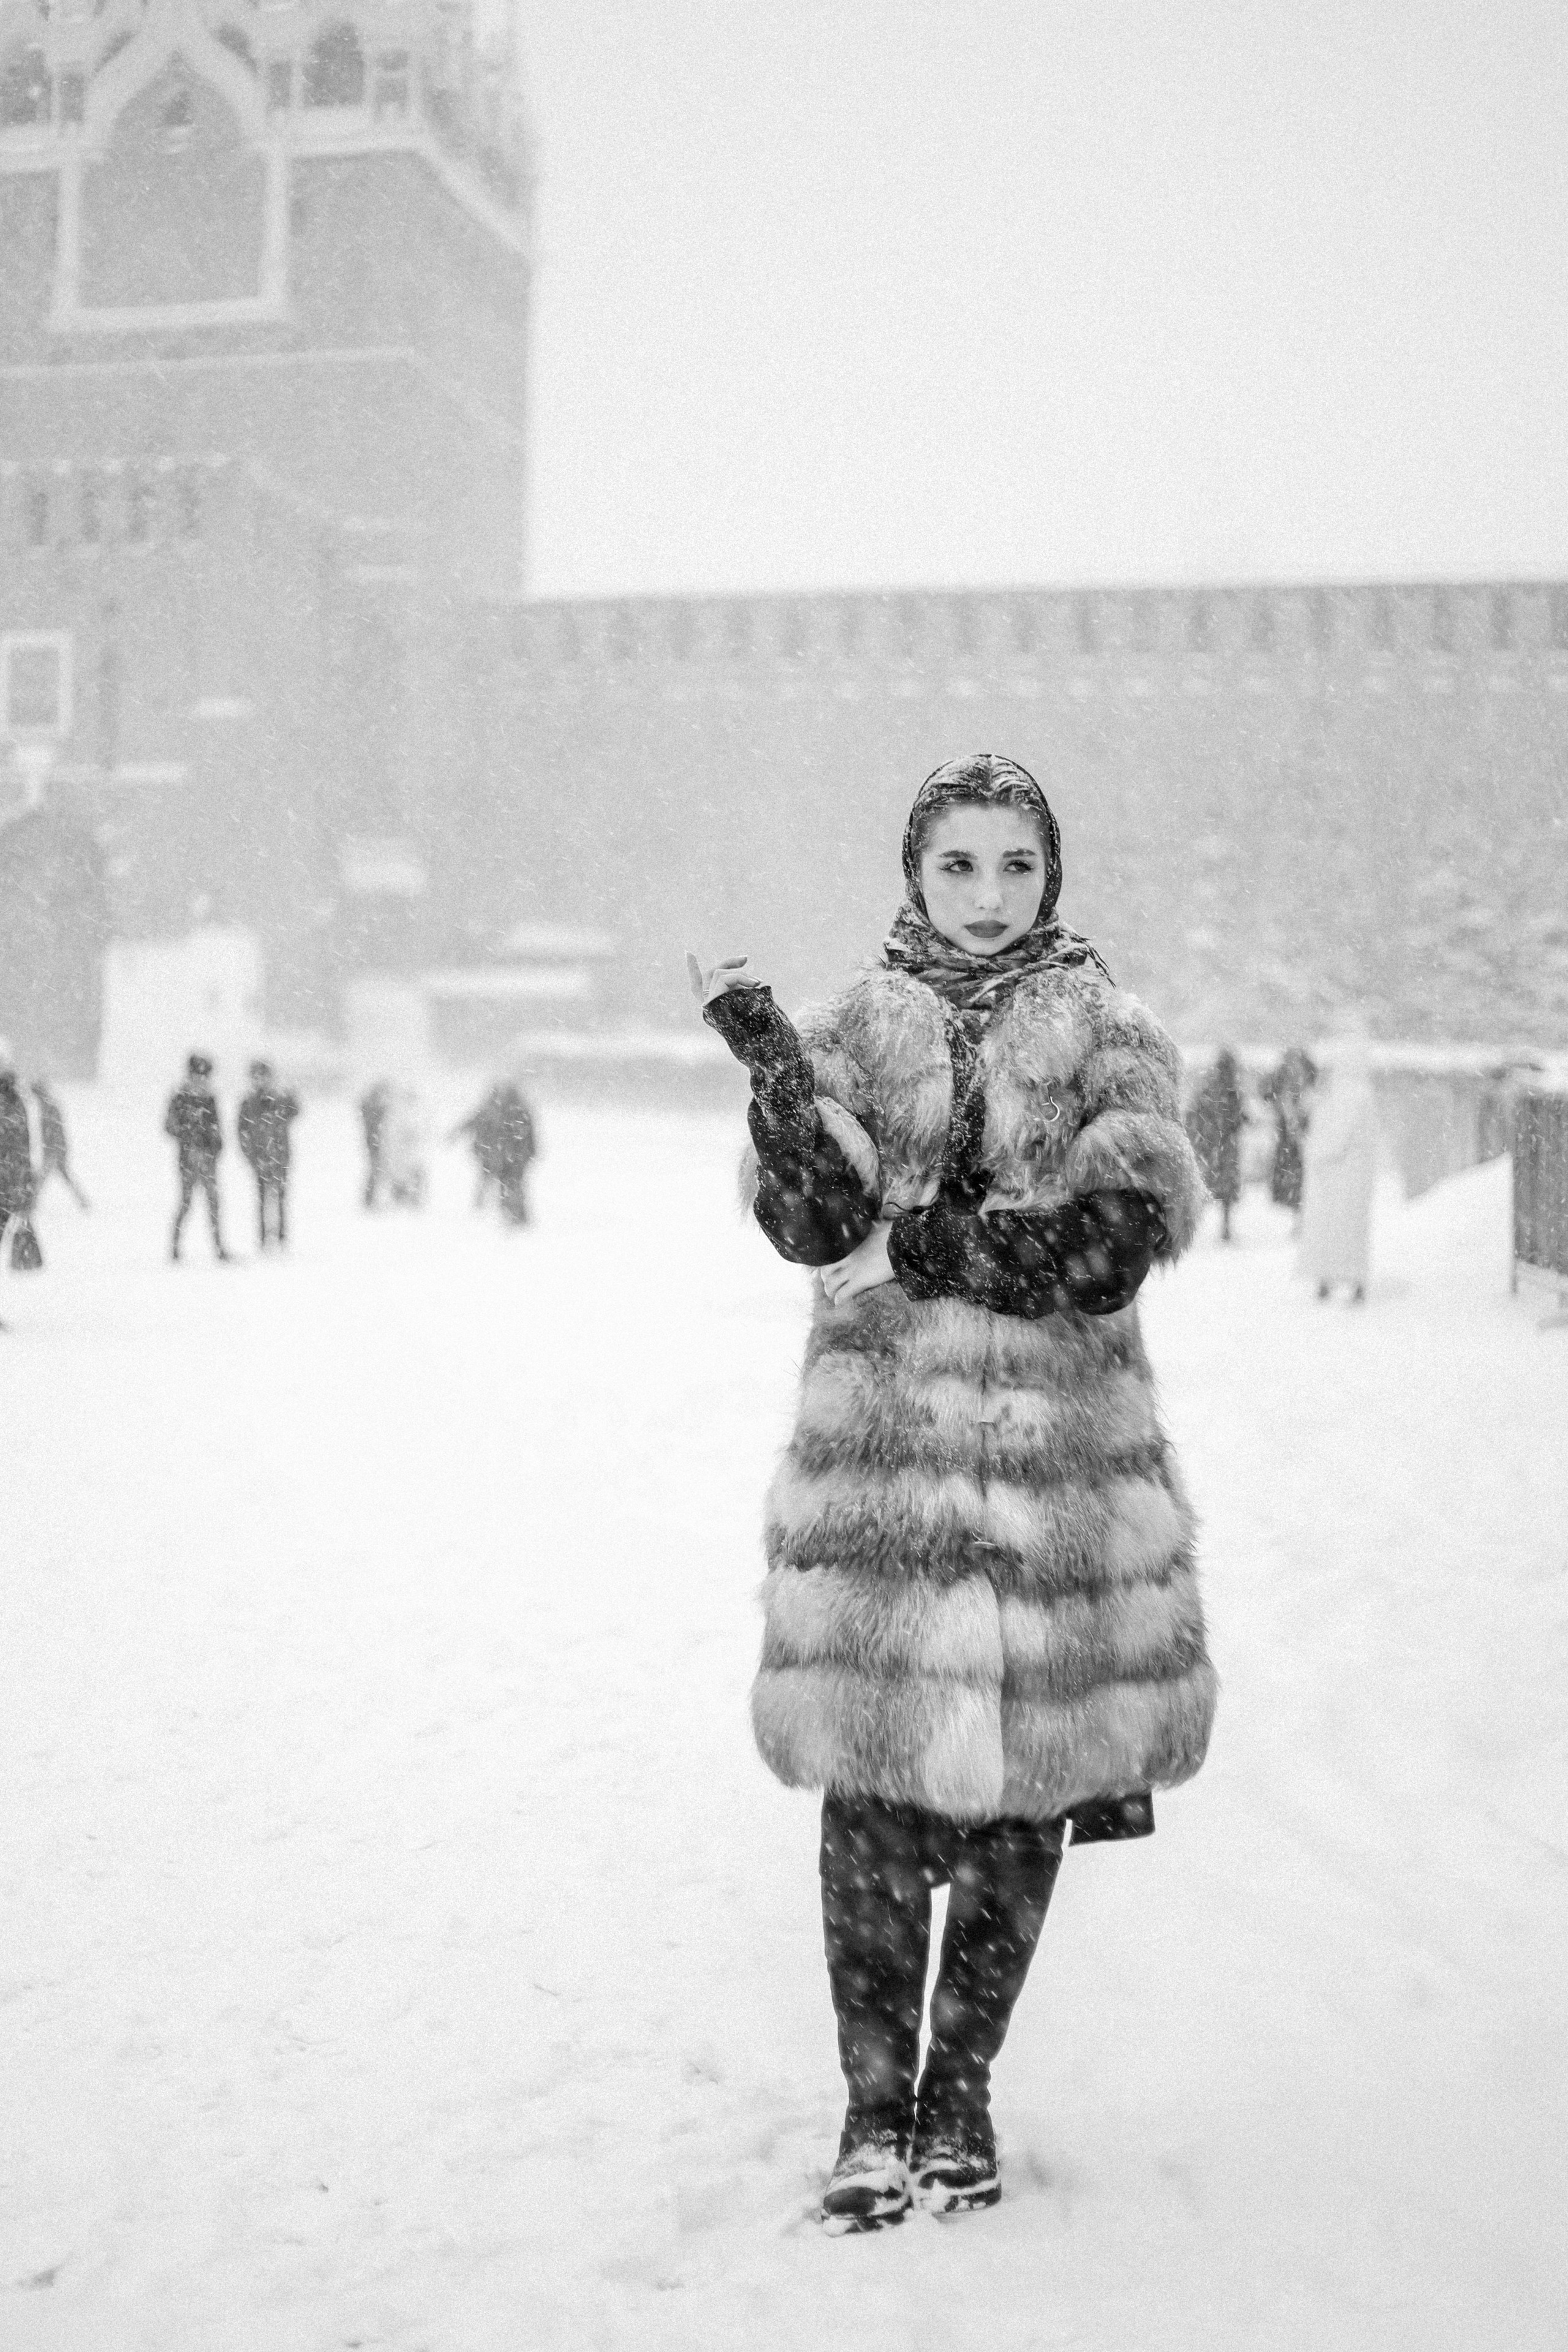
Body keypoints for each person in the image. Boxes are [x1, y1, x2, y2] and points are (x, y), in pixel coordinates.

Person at [692, 753, 1216, 2233]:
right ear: (912, 873)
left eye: (1013, 865)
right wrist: (775, 1072)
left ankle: (957, 2096)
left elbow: (1104, 1250)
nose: (985, 896)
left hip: (1058, 1483)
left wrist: (915, 1252)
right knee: (870, 1793)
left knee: (1019, 1803)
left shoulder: (1117, 1038)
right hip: (883, 1482)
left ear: (1050, 873)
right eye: (956, 866)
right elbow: (808, 1223)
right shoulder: (854, 1025)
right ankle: (870, 2109)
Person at [1300, 1031, 1378, 1303]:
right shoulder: (1351, 1092)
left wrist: (1313, 1153)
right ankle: (1340, 1280)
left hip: (1341, 1176)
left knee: (1337, 1230)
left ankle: (1340, 1280)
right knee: (1345, 1232)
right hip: (1345, 1177)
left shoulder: (1350, 1094)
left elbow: (1336, 1139)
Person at [164, 1052, 231, 1263]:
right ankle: (175, 1248)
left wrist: (214, 1146)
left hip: (207, 1159)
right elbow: (169, 1126)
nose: (201, 1080)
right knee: (186, 1203)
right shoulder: (180, 1097)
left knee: (213, 1203)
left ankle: (219, 1248)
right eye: (198, 1075)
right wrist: (189, 1135)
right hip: (188, 1159)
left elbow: (217, 1128)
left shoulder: (210, 1098)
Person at [450, 1078, 538, 1224]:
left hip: (503, 1157)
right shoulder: (514, 1111)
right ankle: (510, 1215)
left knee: (505, 1185)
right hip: (504, 1157)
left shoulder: (502, 1111)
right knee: (508, 1185)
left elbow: (525, 1135)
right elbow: (527, 1136)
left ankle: (508, 1215)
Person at [236, 1060, 300, 1251]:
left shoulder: (279, 1099)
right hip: (261, 1157)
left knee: (279, 1198)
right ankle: (265, 1237)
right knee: (264, 1198)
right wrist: (251, 1157)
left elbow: (295, 1111)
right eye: (257, 1077)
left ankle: (281, 1236)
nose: (260, 1081)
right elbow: (242, 1132)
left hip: (278, 1156)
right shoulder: (249, 1103)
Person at [1186, 1047, 1246, 1241]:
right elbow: (1202, 1115)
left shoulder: (1216, 1088)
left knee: (1212, 1190)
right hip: (1219, 1147)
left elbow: (1195, 1115)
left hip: (1215, 1147)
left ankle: (1216, 1228)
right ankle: (1216, 1228)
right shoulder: (1226, 1090)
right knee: (1215, 1190)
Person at [1259, 1045, 1316, 1223]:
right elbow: (1267, 1093)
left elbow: (1267, 1094)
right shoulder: (1292, 1086)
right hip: (1291, 1140)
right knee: (1298, 1179)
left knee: (1299, 1179)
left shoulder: (1300, 1091)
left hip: (1295, 1140)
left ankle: (1299, 1213)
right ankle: (1298, 1214)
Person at [0, 1049, 36, 1330]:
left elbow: (23, 1146)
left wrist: (25, 1187)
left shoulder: (15, 1102)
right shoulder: (15, 1102)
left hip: (7, 1188)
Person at [31, 1077, 89, 1210]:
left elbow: (53, 1132)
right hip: (56, 1149)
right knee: (63, 1177)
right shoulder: (48, 1106)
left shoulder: (48, 1108)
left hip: (54, 1150)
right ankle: (83, 1201)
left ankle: (31, 1204)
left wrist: (53, 1150)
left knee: (40, 1179)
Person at [382, 1085, 428, 1208]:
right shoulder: (397, 1113)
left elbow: (420, 1133)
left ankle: (411, 1199)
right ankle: (402, 1199)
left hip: (410, 1153)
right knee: (401, 1175)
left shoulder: (414, 1113)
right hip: (401, 1152)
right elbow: (391, 1134)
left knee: (411, 1174)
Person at [359, 1079, 392, 1210]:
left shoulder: (370, 1107)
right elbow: (373, 1122)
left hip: (376, 1142)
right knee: (375, 1171)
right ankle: (370, 1200)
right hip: (375, 1143)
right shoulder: (372, 1108)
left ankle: (372, 1199)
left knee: (377, 1171)